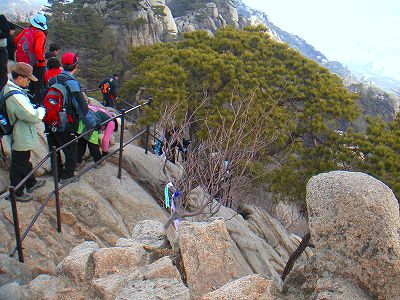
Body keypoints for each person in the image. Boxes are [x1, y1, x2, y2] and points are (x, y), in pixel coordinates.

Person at [45, 52, 99, 184]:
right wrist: (92, 123)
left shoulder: (53, 79)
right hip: (66, 121)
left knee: (54, 148)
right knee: (71, 148)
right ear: (75, 66)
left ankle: (57, 173)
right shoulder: (72, 83)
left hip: (50, 119)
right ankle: (68, 175)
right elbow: (81, 107)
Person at [3, 62, 46, 202]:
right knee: (18, 163)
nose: (29, 82)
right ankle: (17, 192)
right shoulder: (16, 96)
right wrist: (41, 110)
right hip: (20, 133)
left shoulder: (9, 88)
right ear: (20, 78)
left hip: (18, 131)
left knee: (23, 159)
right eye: (27, 79)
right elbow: (32, 116)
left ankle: (31, 182)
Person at [14, 13, 48, 104]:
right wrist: (42, 60)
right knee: (38, 86)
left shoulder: (26, 30)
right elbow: (38, 49)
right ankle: (37, 104)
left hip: (23, 61)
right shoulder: (40, 34)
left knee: (27, 86)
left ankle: (25, 100)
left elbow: (16, 40)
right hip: (36, 64)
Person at [76, 104, 117, 170]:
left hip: (83, 120)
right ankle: (99, 161)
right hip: (93, 123)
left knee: (81, 142)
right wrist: (105, 152)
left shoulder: (104, 112)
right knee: (93, 144)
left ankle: (77, 163)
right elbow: (105, 140)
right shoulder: (112, 122)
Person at [0, 15, 10, 90]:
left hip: (1, 49)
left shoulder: (1, 18)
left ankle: (3, 91)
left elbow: (6, 32)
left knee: (2, 72)